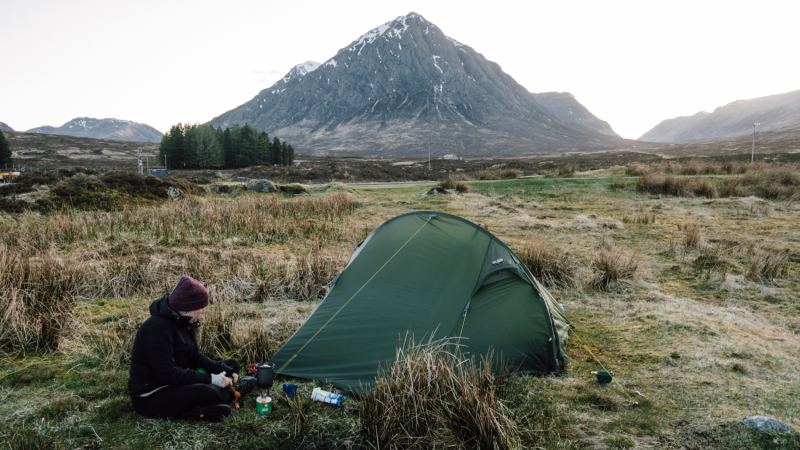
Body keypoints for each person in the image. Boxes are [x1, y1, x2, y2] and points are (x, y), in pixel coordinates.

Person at [128, 275, 256, 422]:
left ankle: (198, 409)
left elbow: (194, 357)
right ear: (186, 309)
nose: (203, 311)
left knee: (231, 365)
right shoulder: (157, 328)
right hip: (151, 394)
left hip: (173, 383)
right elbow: (168, 375)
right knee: (206, 390)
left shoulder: (185, 322)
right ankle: (233, 393)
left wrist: (226, 370)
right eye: (201, 307)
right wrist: (213, 379)